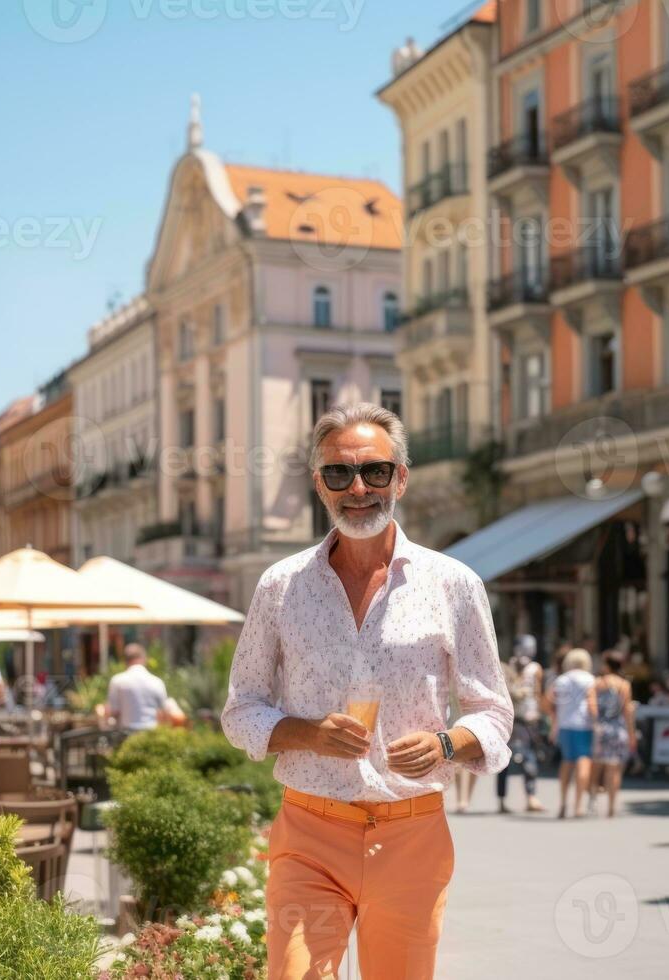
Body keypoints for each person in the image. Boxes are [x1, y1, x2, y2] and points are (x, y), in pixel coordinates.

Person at [220, 403, 512, 980]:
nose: (358, 488)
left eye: (374, 471)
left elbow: (493, 713)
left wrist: (448, 744)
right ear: (319, 486)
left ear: (401, 477)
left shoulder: (453, 584)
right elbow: (241, 709)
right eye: (338, 474)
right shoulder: (281, 587)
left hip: (412, 832)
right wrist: (307, 733)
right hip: (309, 832)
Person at [542, 647, 597, 819]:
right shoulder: (589, 679)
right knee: (584, 761)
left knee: (567, 762)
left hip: (564, 725)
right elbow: (591, 704)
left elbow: (546, 702)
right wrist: (597, 722)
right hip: (584, 724)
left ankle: (564, 802)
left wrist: (555, 717)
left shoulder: (561, 680)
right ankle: (579, 805)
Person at [497, 637, 545, 814]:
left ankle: (519, 798)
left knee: (511, 759)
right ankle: (526, 797)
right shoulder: (522, 667)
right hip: (522, 716)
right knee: (525, 756)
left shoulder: (520, 666)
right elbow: (538, 693)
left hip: (518, 716)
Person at [591, 650, 636, 818]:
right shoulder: (624, 685)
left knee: (596, 766)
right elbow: (627, 711)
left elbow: (592, 707)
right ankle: (611, 806)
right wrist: (631, 735)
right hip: (618, 729)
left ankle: (593, 800)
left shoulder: (598, 683)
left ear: (607, 665)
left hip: (601, 728)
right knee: (614, 769)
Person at [102, 644, 181, 731]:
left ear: (125, 661)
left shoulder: (117, 681)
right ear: (144, 659)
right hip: (151, 733)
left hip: (126, 735)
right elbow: (164, 712)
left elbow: (113, 712)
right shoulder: (157, 682)